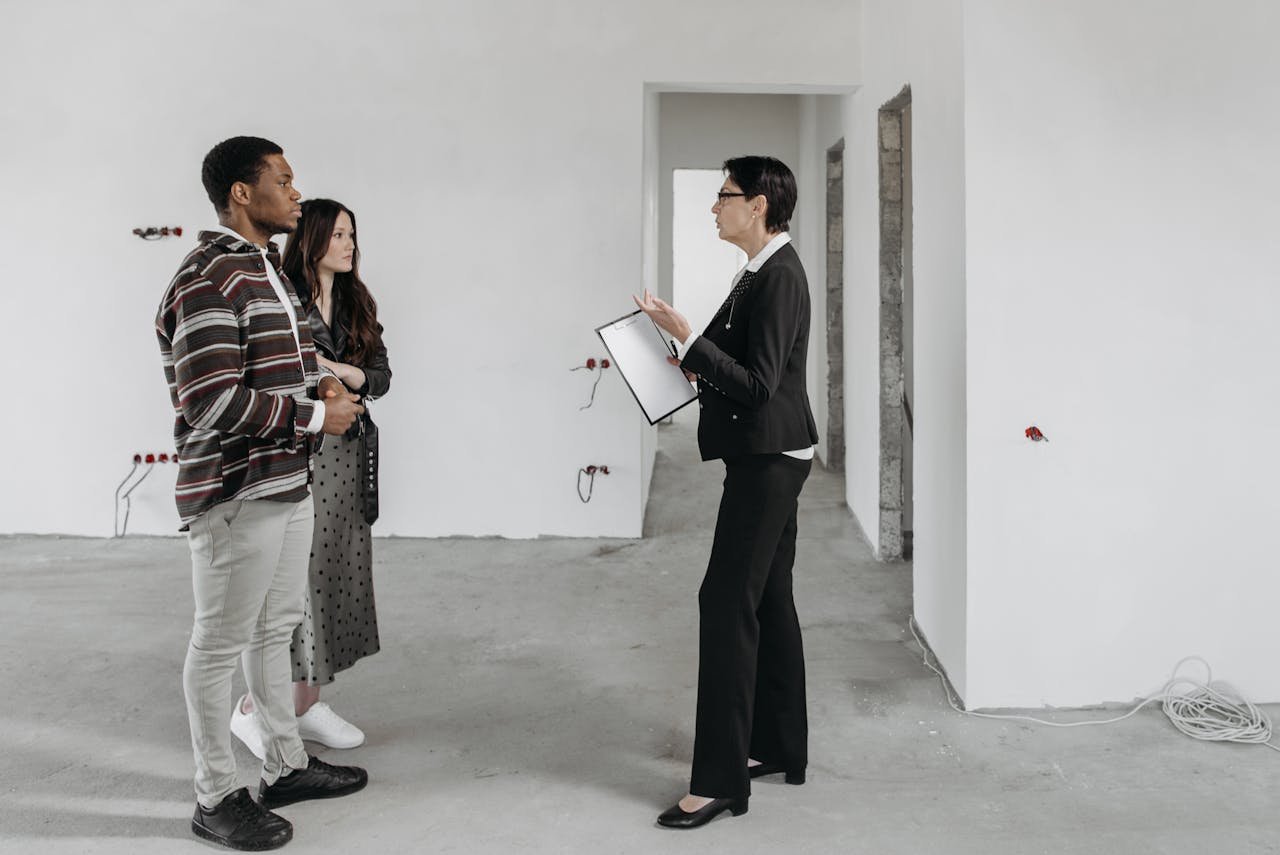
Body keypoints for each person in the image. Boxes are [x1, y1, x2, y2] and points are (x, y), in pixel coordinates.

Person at [156, 136, 369, 851]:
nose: (296, 191)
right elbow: (211, 399)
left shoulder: (266, 267)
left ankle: (284, 765)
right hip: (235, 491)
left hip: (285, 482)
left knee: (274, 630)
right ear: (242, 194)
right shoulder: (206, 279)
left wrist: (325, 383)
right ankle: (215, 796)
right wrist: (314, 416)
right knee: (218, 644)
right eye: (283, 179)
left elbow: (294, 358)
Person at [635, 156, 820, 829]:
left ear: (759, 204)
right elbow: (737, 361)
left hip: (769, 458)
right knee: (767, 596)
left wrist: (689, 339)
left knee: (724, 602)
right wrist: (684, 346)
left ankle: (718, 782)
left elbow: (759, 385)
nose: (715, 206)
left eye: (725, 195)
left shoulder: (780, 275)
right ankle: (777, 746)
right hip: (773, 450)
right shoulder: (761, 269)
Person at [231, 198, 391, 754]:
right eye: (339, 234)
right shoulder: (284, 295)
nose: (349, 244)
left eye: (353, 234)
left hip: (348, 455)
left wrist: (342, 371)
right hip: (301, 451)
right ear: (315, 237)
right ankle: (255, 711)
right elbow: (277, 372)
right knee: (294, 586)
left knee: (335, 575)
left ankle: (306, 703)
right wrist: (334, 381)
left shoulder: (355, 300)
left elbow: (380, 376)